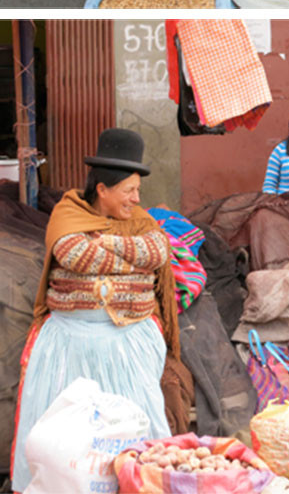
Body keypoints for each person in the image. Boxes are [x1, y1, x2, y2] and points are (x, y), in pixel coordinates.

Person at [11, 128, 179, 491]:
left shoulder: (142, 222)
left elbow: (158, 252)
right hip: (70, 343)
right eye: (129, 190)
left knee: (136, 437)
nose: (136, 198)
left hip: (128, 341)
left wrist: (109, 242)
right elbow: (75, 254)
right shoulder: (67, 213)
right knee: (69, 441)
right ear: (102, 189)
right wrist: (132, 262)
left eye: (138, 190)